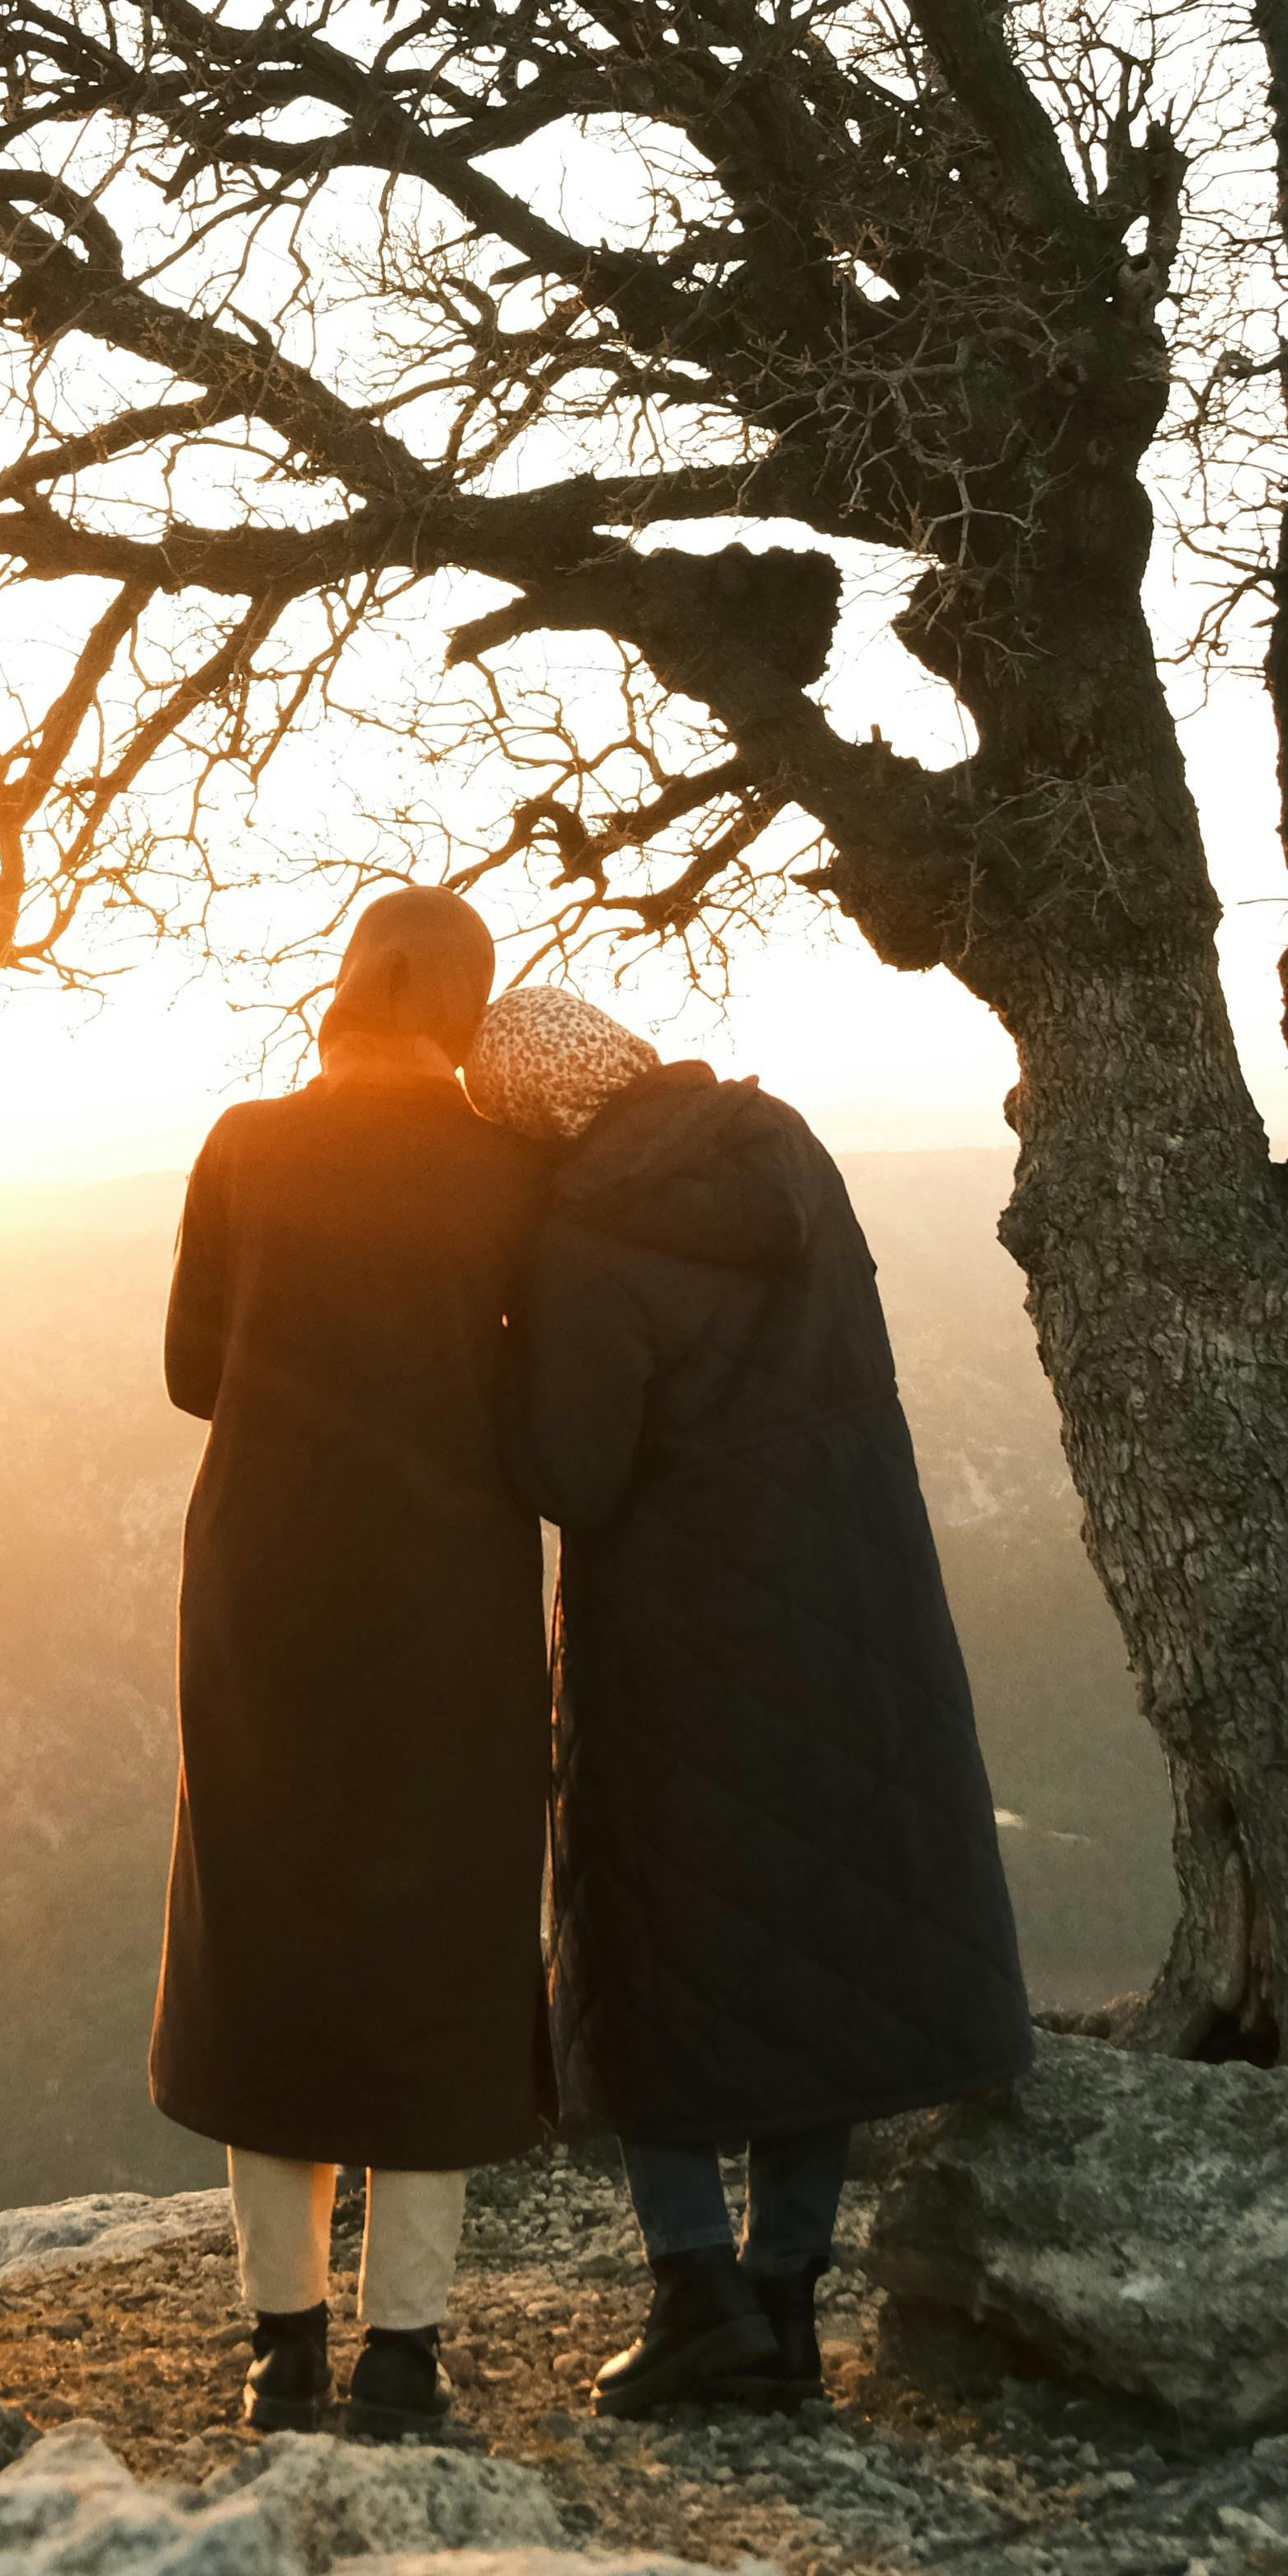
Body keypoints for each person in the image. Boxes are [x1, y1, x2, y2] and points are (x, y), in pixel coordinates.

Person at [469, 983, 1032, 2415]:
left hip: (674, 1639)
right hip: (853, 1608)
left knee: (658, 1958)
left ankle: (695, 2293)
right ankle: (784, 2299)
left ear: (535, 1115)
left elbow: (570, 1474)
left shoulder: (581, 1238)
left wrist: (495, 1355)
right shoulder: (787, 1155)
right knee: (818, 1946)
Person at [151, 882, 553, 2434]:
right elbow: (540, 1404)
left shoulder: (246, 1144)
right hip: (448, 1597)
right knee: (438, 1938)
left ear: (344, 987)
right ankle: (405, 2353)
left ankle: (281, 2344)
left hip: (265, 1587)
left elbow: (196, 1370)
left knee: (274, 1926)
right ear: (463, 1007)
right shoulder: (508, 1172)